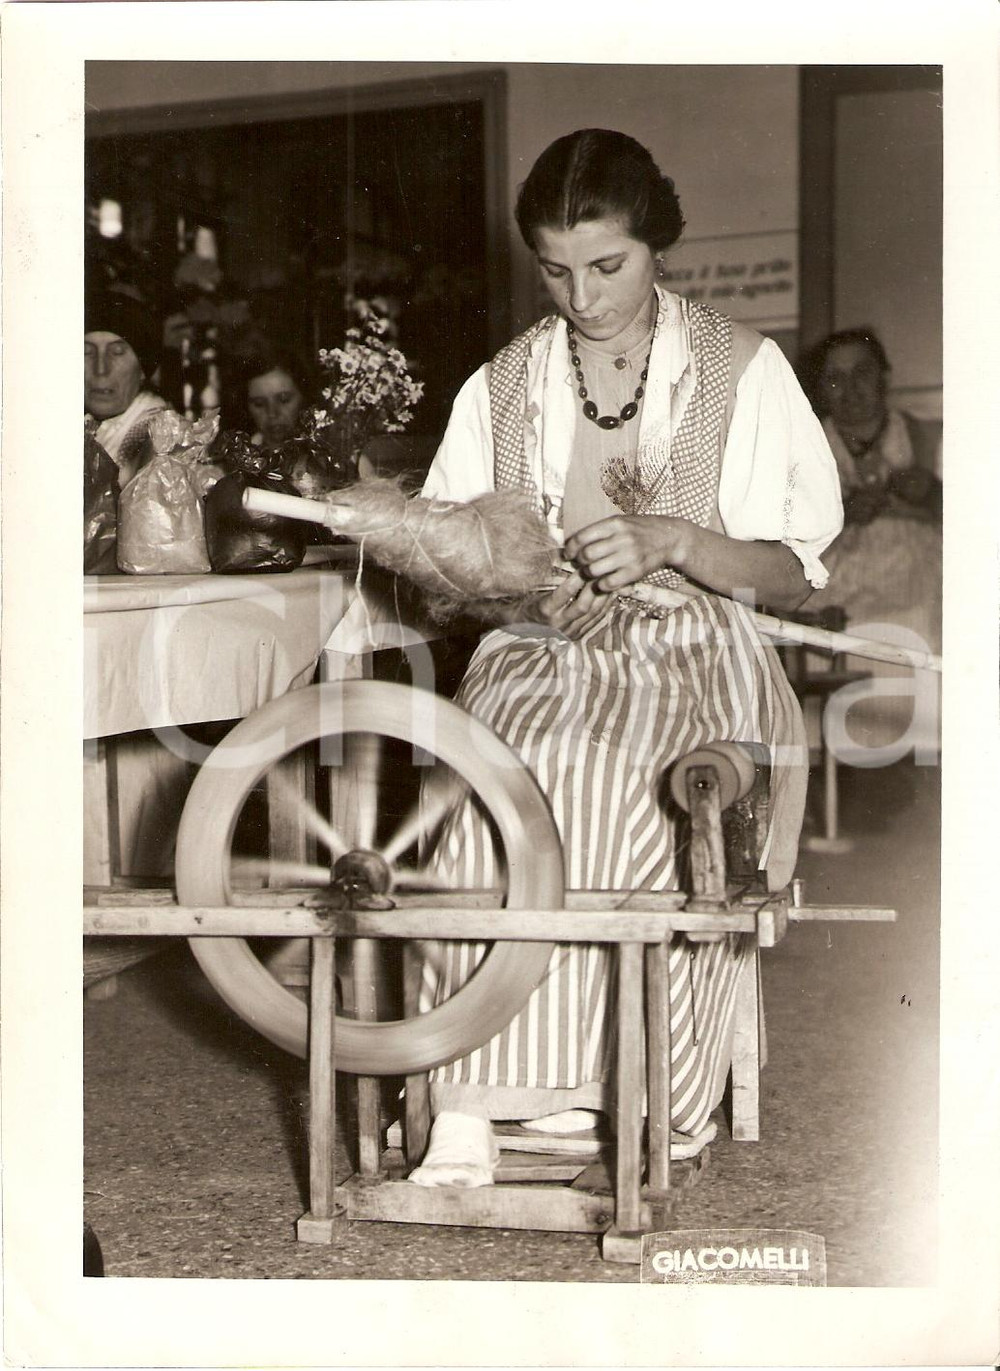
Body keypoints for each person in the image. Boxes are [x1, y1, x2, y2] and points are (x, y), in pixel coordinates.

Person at [407, 129, 844, 1187]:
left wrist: (675, 543)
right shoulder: (501, 387)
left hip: (701, 641)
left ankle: (619, 1086)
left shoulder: (744, 370)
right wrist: (478, 560)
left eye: (609, 266)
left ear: (658, 244)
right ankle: (469, 1099)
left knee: (618, 771)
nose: (584, 297)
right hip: (541, 644)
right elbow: (444, 574)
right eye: (556, 271)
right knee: (490, 775)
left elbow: (799, 575)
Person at [798, 327, 942, 753]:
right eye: (835, 379)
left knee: (920, 625)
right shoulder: (803, 445)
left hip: (916, 573)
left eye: (862, 373)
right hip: (836, 573)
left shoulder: (925, 436)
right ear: (820, 389)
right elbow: (781, 528)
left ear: (885, 377)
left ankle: (909, 768)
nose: (850, 389)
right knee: (828, 639)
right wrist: (837, 515)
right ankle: (843, 775)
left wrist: (934, 493)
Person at [84, 290, 171, 487]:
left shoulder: (162, 435)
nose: (101, 369)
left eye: (117, 352)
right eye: (86, 352)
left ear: (142, 369)